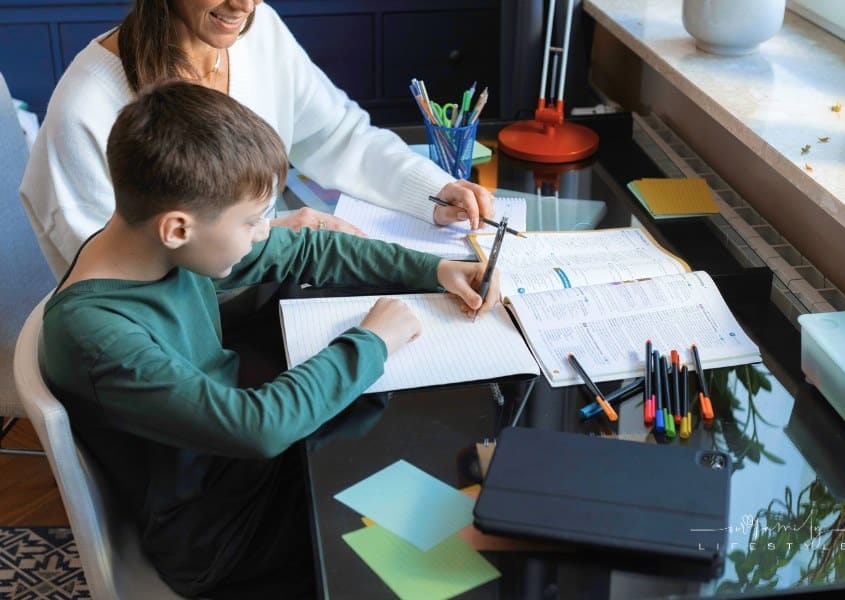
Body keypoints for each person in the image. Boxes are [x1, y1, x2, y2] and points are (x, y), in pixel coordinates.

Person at [40, 80, 501, 598]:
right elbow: (256, 427)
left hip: (240, 472)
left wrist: (437, 269)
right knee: (461, 524)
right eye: (252, 220)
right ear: (177, 228)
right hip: (218, 534)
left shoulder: (151, 246)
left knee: (441, 463)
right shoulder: (98, 336)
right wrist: (371, 341)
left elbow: (306, 249)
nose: (266, 230)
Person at [20, 0, 495, 280]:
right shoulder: (87, 104)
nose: (242, 6)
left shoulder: (256, 28)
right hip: (182, 343)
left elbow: (337, 134)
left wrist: (432, 191)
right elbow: (113, 284)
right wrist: (268, 239)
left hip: (265, 285)